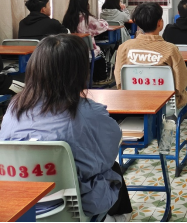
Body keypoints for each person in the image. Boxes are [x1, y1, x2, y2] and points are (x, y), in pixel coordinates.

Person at [0, 35, 132, 219]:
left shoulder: (14, 109)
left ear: (34, 68)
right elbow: (110, 149)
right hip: (72, 209)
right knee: (112, 170)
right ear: (80, 72)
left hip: (21, 204)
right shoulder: (89, 112)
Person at [115, 3, 187, 112]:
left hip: (132, 104)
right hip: (166, 107)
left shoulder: (124, 48)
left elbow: (119, 81)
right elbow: (181, 81)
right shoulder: (171, 49)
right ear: (160, 23)